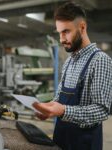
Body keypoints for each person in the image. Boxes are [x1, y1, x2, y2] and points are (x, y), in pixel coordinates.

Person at [33, 1, 112, 150]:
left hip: (84, 143)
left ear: (82, 27)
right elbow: (59, 98)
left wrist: (63, 111)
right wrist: (48, 109)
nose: (61, 39)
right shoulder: (69, 61)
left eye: (66, 31)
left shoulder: (100, 60)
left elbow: (101, 110)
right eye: (59, 32)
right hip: (61, 138)